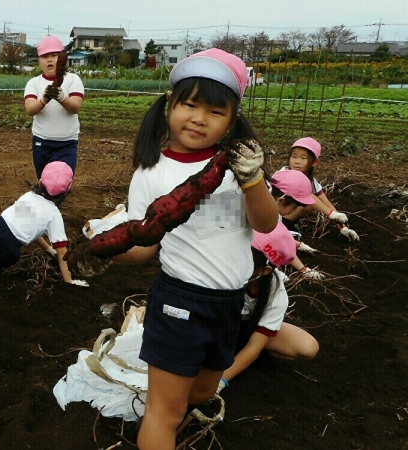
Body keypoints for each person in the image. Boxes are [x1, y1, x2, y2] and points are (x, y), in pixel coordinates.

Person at [109, 49, 279, 450]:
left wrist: (253, 180)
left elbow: (266, 224)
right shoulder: (153, 172)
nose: (200, 118)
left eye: (215, 112)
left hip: (228, 303)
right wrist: (107, 249)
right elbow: (143, 247)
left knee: (202, 391)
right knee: (163, 411)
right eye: (190, 104)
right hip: (179, 302)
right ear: (170, 104)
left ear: (232, 120)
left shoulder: (238, 167)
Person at [216, 222, 320, 395]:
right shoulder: (222, 271)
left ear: (265, 270)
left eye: (246, 256)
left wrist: (220, 382)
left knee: (308, 347)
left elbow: (254, 347)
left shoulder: (276, 295)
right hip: (217, 325)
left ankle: (238, 355)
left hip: (245, 330)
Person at [0, 161, 88, 287]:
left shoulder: (28, 196)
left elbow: (24, 225)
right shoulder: (54, 215)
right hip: (7, 252)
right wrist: (69, 282)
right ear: (68, 189)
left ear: (40, 182)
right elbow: (62, 253)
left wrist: (47, 249)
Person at [24, 35, 85, 179]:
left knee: (61, 181)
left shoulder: (73, 80)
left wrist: (62, 98)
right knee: (45, 182)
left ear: (62, 58)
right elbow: (30, 109)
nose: (49, 59)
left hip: (67, 143)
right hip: (41, 142)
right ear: (39, 61)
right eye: (45, 56)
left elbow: (75, 107)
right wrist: (43, 100)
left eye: (54, 55)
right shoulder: (34, 83)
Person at [279, 137, 359, 242]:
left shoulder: (311, 182)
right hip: (270, 218)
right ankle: (282, 231)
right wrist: (331, 215)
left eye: (303, 158)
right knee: (309, 200)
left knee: (310, 204)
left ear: (314, 162)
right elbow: (310, 197)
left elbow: (327, 204)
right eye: (294, 157)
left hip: (283, 217)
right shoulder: (283, 174)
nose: (297, 162)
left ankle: (287, 227)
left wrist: (343, 228)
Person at [269, 170, 324, 281]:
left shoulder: (272, 207)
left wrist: (297, 244)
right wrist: (304, 270)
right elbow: (272, 243)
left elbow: (278, 237)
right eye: (294, 207)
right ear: (281, 200)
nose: (294, 211)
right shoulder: (261, 215)